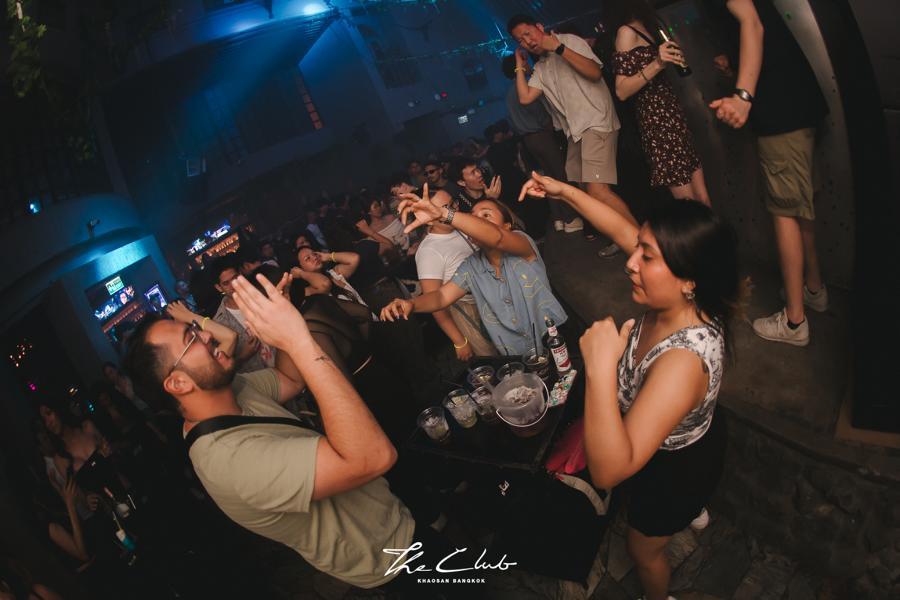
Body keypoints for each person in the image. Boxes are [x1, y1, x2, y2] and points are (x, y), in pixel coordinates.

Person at [120, 274, 422, 590]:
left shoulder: (234, 389)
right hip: (388, 558)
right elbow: (374, 457)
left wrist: (281, 320)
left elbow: (289, 379)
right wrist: (298, 340)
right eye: (191, 339)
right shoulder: (231, 462)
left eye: (196, 328)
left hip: (391, 513)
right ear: (178, 383)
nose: (206, 335)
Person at [520, 170, 738, 600]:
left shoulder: (682, 364)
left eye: (647, 256)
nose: (630, 261)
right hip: (680, 434)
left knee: (643, 549)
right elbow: (620, 228)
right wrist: (564, 192)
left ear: (689, 278)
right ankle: (691, 511)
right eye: (639, 247)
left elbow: (608, 471)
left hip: (675, 467)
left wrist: (601, 367)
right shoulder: (681, 295)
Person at [705, 0, 828, 346]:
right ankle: (813, 288)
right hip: (798, 104)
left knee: (784, 211)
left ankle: (794, 321)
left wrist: (742, 96)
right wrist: (736, 67)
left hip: (780, 112)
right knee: (800, 206)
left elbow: (752, 23)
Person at [381, 185, 567, 357]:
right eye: (473, 217)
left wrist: (443, 213)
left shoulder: (521, 243)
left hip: (554, 337)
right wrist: (411, 304)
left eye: (486, 215)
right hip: (515, 351)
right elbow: (440, 297)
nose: (477, 221)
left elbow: (497, 237)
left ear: (507, 226)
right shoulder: (471, 266)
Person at [509, 13, 638, 257]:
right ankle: (621, 237)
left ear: (540, 27)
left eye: (528, 33)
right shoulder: (542, 67)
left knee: (598, 191)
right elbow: (525, 98)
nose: (527, 41)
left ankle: (640, 244)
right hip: (575, 132)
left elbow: (595, 72)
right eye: (520, 40)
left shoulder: (569, 41)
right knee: (584, 192)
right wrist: (519, 65)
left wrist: (559, 48)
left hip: (595, 122)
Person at [607, 0, 711, 205]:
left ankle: (715, 228)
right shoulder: (626, 32)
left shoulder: (647, 26)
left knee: (702, 197)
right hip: (658, 125)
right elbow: (621, 91)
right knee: (689, 205)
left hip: (673, 117)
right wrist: (658, 63)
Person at [501, 53, 582, 233]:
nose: (527, 63)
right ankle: (571, 218)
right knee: (560, 175)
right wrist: (549, 125)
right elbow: (539, 112)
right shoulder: (525, 86)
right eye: (523, 61)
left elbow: (512, 121)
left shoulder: (508, 94)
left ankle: (559, 219)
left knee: (546, 177)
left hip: (528, 140)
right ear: (517, 66)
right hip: (541, 135)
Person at [414, 189, 497, 360]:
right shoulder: (428, 251)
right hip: (469, 309)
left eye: (453, 203)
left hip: (492, 297)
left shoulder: (461, 226)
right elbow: (435, 302)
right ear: (428, 219)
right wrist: (459, 341)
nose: (454, 209)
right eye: (446, 207)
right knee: (493, 359)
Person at [210, 256, 274, 372]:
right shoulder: (219, 323)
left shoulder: (260, 295)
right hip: (260, 377)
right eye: (226, 283)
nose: (233, 285)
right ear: (219, 287)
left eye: (235, 278)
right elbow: (223, 371)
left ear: (240, 274)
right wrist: (242, 357)